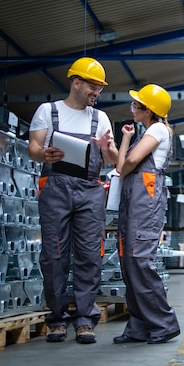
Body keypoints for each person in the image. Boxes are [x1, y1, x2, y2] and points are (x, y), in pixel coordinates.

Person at [28, 57, 118, 344]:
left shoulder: (99, 118)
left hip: (90, 190)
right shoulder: (48, 111)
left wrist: (108, 149)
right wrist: (44, 155)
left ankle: (84, 319)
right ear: (76, 82)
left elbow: (114, 159)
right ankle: (57, 319)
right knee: (54, 255)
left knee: (90, 255)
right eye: (93, 86)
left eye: (100, 88)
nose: (97, 92)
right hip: (55, 188)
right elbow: (32, 146)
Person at [113, 84, 181, 345]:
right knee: (128, 264)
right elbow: (122, 167)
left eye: (136, 105)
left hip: (146, 202)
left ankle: (164, 323)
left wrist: (127, 161)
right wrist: (126, 139)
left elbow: (129, 163)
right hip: (133, 201)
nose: (132, 108)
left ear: (148, 110)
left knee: (139, 260)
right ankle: (139, 326)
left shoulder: (157, 129)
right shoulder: (143, 133)